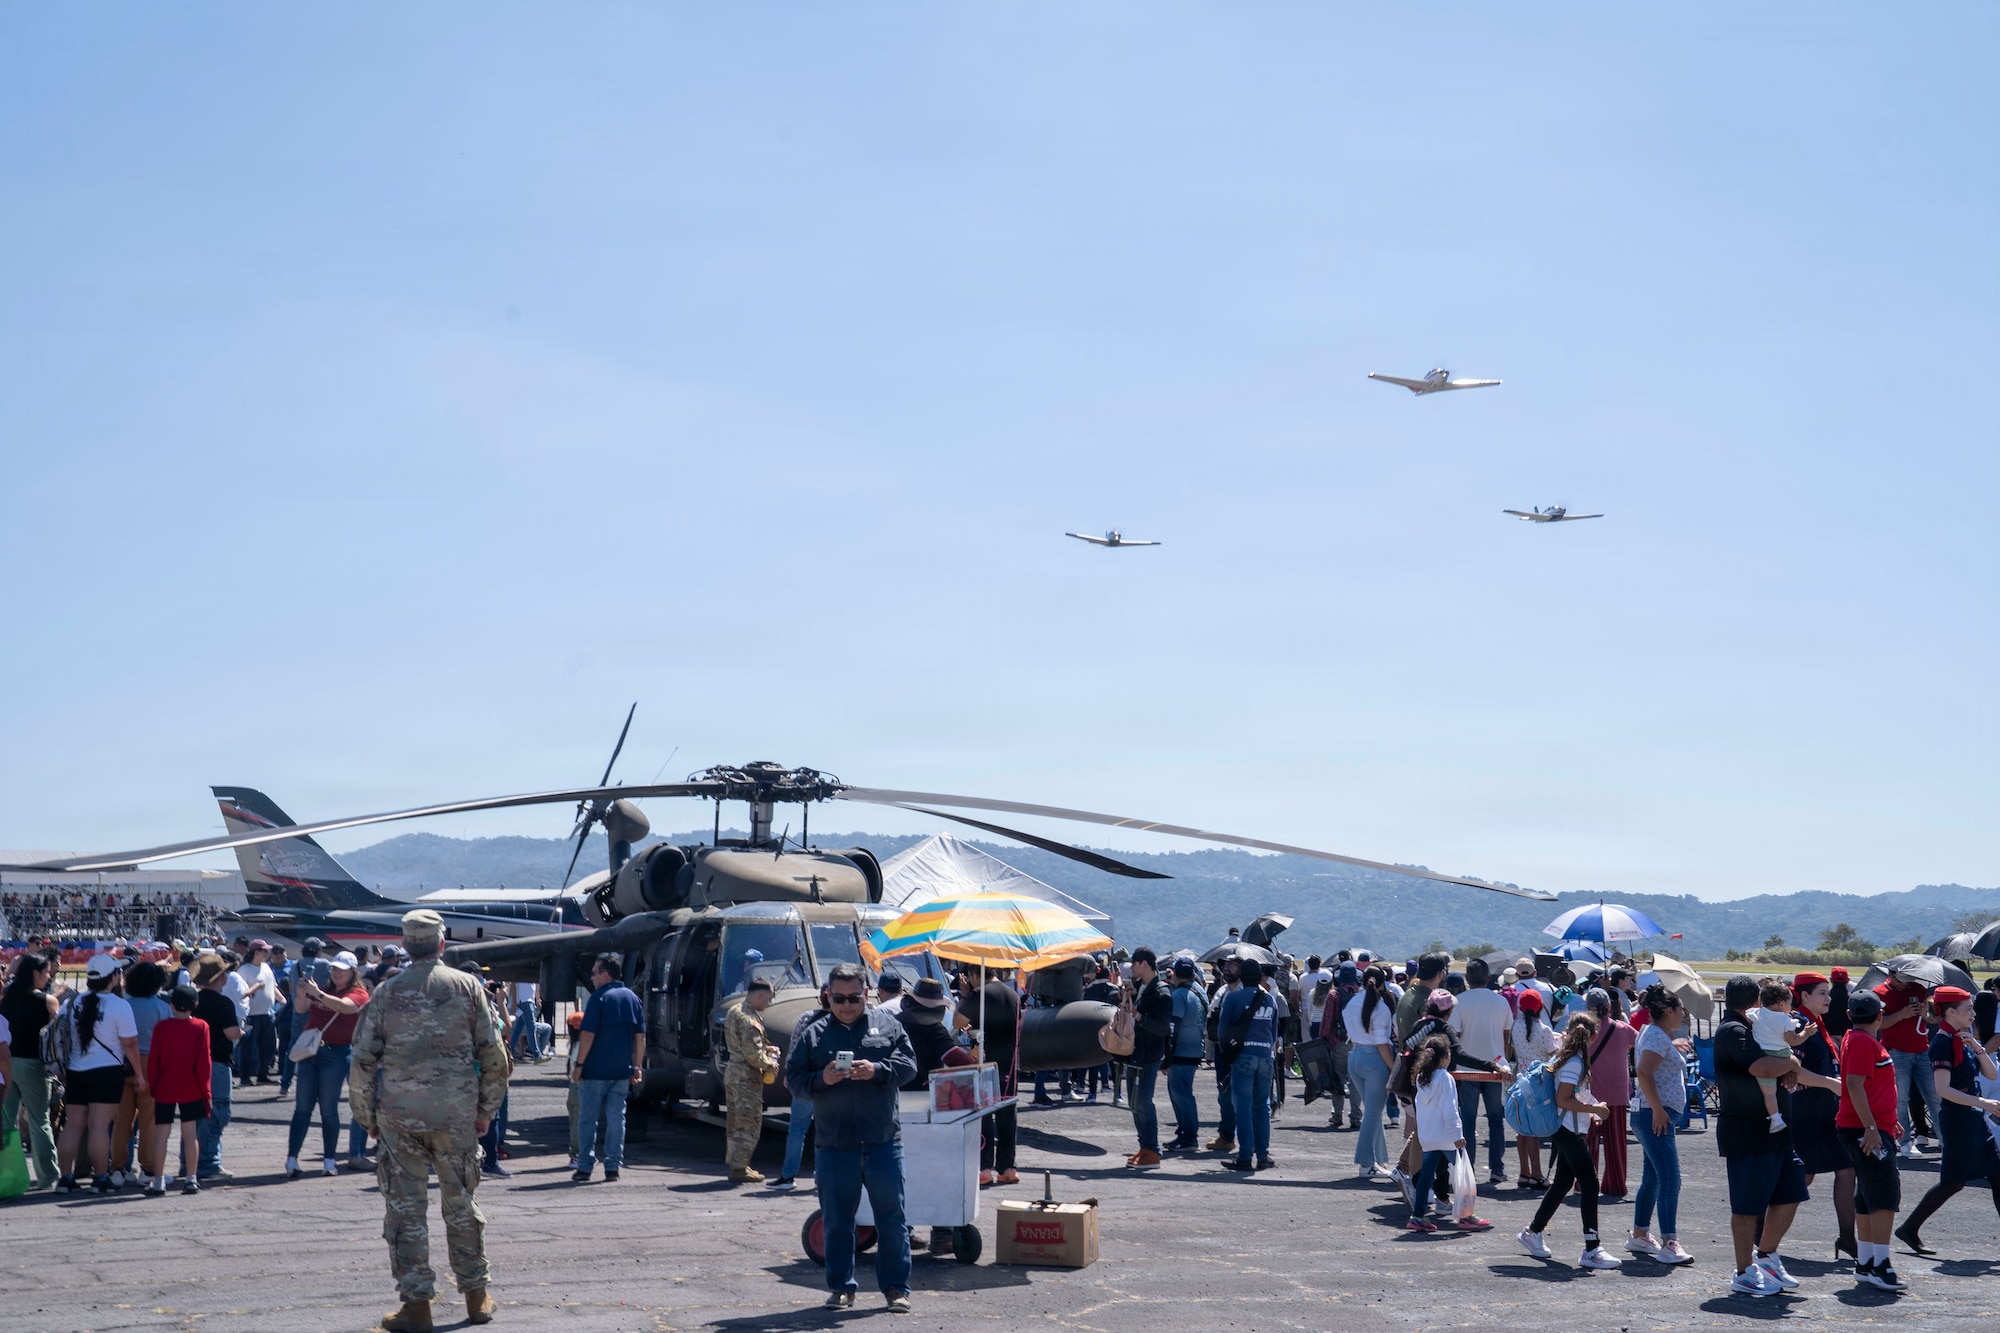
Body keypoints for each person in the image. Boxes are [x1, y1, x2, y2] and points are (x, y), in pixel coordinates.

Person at [349, 909, 510, 1332]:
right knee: (461, 1206)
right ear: (442, 944)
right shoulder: (468, 987)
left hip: (400, 1119)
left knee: (406, 1213)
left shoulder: (387, 992)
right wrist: (484, 1112)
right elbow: (495, 1057)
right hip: (455, 1116)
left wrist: (367, 1117)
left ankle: (417, 1305)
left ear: (405, 946)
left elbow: (363, 1060)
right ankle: (477, 1296)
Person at [784, 962, 918, 1314]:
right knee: (837, 1220)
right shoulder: (814, 1035)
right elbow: (793, 1079)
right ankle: (842, 1288)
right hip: (835, 1146)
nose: (846, 1005)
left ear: (867, 994)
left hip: (883, 1143)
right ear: (828, 996)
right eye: (839, 998)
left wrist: (877, 1070)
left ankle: (895, 1289)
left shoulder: (888, 1026)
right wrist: (820, 1080)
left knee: (892, 1218)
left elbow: (909, 1066)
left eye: (854, 998)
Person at [1712, 975, 1810, 1298]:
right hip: (1746, 1131)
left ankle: (1766, 1257)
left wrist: (1787, 1064)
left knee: (1791, 1192)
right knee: (1746, 1206)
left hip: (1777, 1130)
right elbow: (1762, 1067)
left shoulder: (1753, 1026)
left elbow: (1775, 1059)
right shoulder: (1733, 1031)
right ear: (1756, 1000)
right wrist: (1792, 1062)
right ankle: (1743, 1272)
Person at [1893, 986, 2000, 1257]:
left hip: (1973, 1119)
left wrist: (1977, 1047)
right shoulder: (1942, 1042)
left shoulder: (1962, 1038)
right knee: (1952, 1182)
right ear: (1951, 1012)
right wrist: (1983, 1103)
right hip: (1959, 1120)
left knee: (1996, 1176)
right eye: (1968, 1009)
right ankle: (1908, 1228)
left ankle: (1909, 1228)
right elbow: (1942, 1091)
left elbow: (1989, 1074)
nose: (1974, 1014)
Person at [1516, 1012, 1621, 1270]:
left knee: (1563, 1181)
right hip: (1567, 1129)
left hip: (1563, 1127)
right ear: (1593, 1036)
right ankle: (1591, 1248)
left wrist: (1594, 1106)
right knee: (1589, 1182)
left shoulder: (1565, 1057)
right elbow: (1565, 1099)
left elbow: (1575, 1093)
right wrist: (1595, 1110)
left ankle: (1533, 1232)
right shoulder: (1574, 1061)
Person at [54, 954, 147, 1195]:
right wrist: (139, 1074)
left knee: (72, 1125)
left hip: (75, 1070)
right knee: (99, 1126)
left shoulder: (73, 1002)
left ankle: (64, 1178)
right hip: (107, 1071)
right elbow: (130, 1044)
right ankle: (100, 1178)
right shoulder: (119, 1005)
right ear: (114, 977)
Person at [1834, 992, 1908, 1290]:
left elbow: (1869, 1086)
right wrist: (1872, 1128)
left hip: (1868, 1126)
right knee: (1885, 1195)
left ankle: (1866, 1262)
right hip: (1864, 1129)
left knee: (1867, 1196)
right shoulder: (1864, 1041)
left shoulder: (1856, 1038)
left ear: (1851, 1016)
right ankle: (1881, 1265)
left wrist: (1888, 1121)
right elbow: (1853, 1084)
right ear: (1879, 1016)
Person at [1786, 973, 1857, 1263]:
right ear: (1803, 996)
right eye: (1821, 993)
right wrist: (1830, 1083)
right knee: (1804, 1176)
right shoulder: (1798, 1024)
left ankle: (1848, 1238)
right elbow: (1794, 1070)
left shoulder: (1816, 1022)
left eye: (1828, 993)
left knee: (1846, 1169)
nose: (1828, 998)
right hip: (1805, 1110)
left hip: (1827, 1110)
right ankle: (1761, 1231)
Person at [286, 950, 370, 1179]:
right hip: (310, 1052)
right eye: (334, 969)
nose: (336, 974)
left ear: (352, 972)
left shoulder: (359, 993)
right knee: (302, 1107)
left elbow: (345, 1007)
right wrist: (303, 994)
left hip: (336, 1053)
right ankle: (292, 1159)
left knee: (328, 1109)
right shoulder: (325, 989)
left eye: (341, 971)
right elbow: (301, 1008)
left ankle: (329, 1160)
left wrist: (317, 993)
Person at [1627, 984, 1694, 1264]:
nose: (1683, 1013)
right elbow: (1643, 1071)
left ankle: (1640, 1234)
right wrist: (1657, 1109)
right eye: (1680, 1008)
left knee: (1653, 1178)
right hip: (1655, 1114)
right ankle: (1669, 1241)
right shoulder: (1656, 1035)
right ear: (1668, 1011)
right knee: (1670, 1179)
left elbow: (1652, 1057)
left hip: (1651, 1113)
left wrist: (1673, 1044)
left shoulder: (1655, 1032)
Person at [1405, 1033, 1492, 1231]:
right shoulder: (1445, 1078)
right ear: (1444, 1057)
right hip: (1445, 1136)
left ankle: (1417, 1216)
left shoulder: (1421, 1078)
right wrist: (1458, 1136)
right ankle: (1466, 1215)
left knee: (1426, 1176)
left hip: (1428, 1137)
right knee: (1463, 1174)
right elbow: (1450, 1110)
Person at [571, 952, 645, 1184]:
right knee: (616, 1118)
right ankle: (612, 1167)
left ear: (604, 975)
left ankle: (584, 1167)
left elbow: (587, 1035)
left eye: (594, 973)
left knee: (588, 1120)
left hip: (595, 1070)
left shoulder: (598, 998)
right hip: (622, 1071)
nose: (591, 978)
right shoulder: (632, 998)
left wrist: (579, 1064)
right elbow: (640, 1036)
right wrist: (638, 1065)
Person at [144, 984, 212, 1196]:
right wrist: (206, 1091)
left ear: (171, 1005)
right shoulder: (201, 1027)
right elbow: (204, 1063)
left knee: (161, 1134)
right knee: (190, 1134)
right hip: (191, 1086)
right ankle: (191, 1179)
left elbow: (153, 1061)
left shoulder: (161, 1028)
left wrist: (153, 1087)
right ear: (195, 1005)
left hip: (165, 1085)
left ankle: (157, 1181)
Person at [1, 952, 62, 1189]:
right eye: (46, 972)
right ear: (35, 973)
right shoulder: (48, 1001)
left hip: (7, 1063)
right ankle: (47, 1176)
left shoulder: (6, 999)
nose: (48, 976)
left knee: (7, 1121)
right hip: (33, 1064)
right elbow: (55, 1032)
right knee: (39, 1121)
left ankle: (9, 1173)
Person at [954, 967, 1019, 1185]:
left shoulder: (978, 994)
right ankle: (1008, 1167)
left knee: (983, 1114)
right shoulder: (1012, 994)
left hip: (984, 1060)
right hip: (1009, 1062)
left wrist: (965, 995)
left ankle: (984, 1168)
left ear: (973, 974)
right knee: (1007, 1115)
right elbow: (1019, 1024)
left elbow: (957, 1022)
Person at [1451, 957, 1513, 1185]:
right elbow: (1506, 1036)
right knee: (1496, 1119)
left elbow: (1454, 1036)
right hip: (1495, 1068)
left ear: (1467, 979)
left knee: (1467, 1120)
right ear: (1488, 978)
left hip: (1467, 1070)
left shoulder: (1460, 1002)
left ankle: (1468, 1168)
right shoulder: (1501, 1002)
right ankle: (1497, 1168)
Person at [1217, 960, 1281, 1172]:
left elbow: (1222, 1030)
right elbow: (1273, 1031)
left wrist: (1228, 1053)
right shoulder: (1270, 1000)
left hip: (1244, 1056)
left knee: (1242, 1108)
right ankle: (1263, 1155)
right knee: (1262, 1107)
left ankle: (1245, 1156)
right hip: (1265, 1056)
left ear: (1242, 977)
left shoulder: (1233, 998)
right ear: (1261, 977)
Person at [114, 960, 172, 1189]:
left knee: (121, 1120)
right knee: (149, 1120)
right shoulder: (161, 1007)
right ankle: (148, 1168)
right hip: (151, 1063)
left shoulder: (123, 1005)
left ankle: (118, 1168)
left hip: (122, 1062)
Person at [1574, 989, 1636, 1197]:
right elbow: (1639, 1043)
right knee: (1616, 1143)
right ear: (1609, 1007)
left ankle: (1585, 1183)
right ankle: (1616, 1184)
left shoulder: (1583, 1032)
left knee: (1588, 1141)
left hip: (1589, 1095)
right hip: (1616, 1093)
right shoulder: (1622, 1029)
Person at [1874, 970, 1939, 1158]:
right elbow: (1877, 1023)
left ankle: (1946, 1139)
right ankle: (1905, 1143)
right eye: (1901, 979)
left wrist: (1926, 1013)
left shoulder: (1918, 989)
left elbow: (1933, 1016)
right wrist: (1901, 1015)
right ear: (1891, 975)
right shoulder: (1880, 993)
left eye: (1908, 978)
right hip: (1896, 1051)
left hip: (1922, 1049)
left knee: (1935, 1096)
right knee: (1900, 1099)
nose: (1905, 983)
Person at [723, 978, 782, 1185]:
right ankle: (739, 1167)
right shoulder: (750, 1020)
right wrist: (769, 1064)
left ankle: (736, 1162)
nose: (769, 1002)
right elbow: (753, 1055)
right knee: (748, 1123)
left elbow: (741, 1045)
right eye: (769, 998)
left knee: (734, 1121)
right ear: (760, 995)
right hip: (746, 1078)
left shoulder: (735, 1011)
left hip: (733, 1073)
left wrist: (766, 1049)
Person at [191, 955, 243, 1182]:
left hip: (193, 1063)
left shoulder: (193, 1000)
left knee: (193, 1116)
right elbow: (231, 1033)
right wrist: (241, 1032)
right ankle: (209, 1163)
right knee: (217, 1113)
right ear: (222, 978)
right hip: (218, 1062)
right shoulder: (223, 1003)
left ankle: (190, 1162)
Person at [774, 988, 831, 1192]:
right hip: (830, 1082)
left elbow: (794, 1048)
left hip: (806, 1081)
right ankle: (821, 1177)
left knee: (797, 1129)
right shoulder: (842, 1022)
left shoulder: (807, 1017)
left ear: (820, 997)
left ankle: (788, 1176)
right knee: (825, 1132)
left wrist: (790, 1074)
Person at [1344, 965, 1396, 1177]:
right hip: (1374, 1058)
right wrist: (1394, 1068)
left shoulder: (1352, 1002)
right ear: (1383, 983)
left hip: (1354, 1056)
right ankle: (1366, 1164)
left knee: (1372, 1113)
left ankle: (1379, 1160)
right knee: (1374, 1113)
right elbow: (1381, 1043)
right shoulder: (1381, 1007)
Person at [1124, 947, 1174, 1169]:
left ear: (1144, 964)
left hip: (1149, 1054)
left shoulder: (1162, 992)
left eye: (1134, 963)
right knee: (1135, 1104)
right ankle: (1145, 1146)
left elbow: (1163, 1028)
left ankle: (1153, 1150)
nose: (1131, 967)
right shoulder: (1139, 987)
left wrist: (1137, 1015)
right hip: (1135, 1052)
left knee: (1144, 1102)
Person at [1508, 988, 1558, 1188]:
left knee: (1521, 1128)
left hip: (1519, 1078)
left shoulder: (1515, 1026)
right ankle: (1537, 1173)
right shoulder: (1544, 1030)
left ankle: (1524, 1172)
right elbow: (1554, 1055)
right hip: (1538, 1081)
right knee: (1534, 1129)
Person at [1749, 980, 1811, 1132]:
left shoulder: (1756, 1013)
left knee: (1768, 1092)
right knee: (1795, 1067)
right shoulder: (1785, 1020)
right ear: (1782, 1004)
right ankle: (1785, 1101)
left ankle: (1775, 1118)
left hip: (1764, 1055)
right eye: (1790, 1004)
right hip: (1782, 1054)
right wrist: (1806, 1033)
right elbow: (1793, 1041)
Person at [1164, 958, 1208, 1151]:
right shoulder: (1200, 991)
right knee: (1182, 1093)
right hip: (1195, 1048)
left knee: (1180, 1094)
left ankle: (1189, 1137)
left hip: (1181, 1051)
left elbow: (1173, 1025)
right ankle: (1184, 1133)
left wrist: (1167, 1054)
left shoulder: (1180, 995)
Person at [509, 981, 545, 1062]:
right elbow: (513, 984)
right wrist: (514, 1002)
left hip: (527, 1000)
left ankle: (510, 1050)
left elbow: (535, 986)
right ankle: (537, 1054)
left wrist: (538, 999)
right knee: (531, 1028)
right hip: (525, 1001)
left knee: (518, 1028)